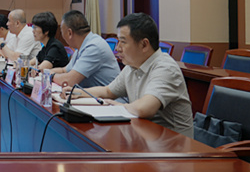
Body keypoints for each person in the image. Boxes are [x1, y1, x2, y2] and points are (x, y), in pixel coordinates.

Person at [64, 13, 193, 138]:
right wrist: (77, 92)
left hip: (173, 146)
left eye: (123, 42)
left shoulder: (166, 68)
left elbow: (144, 109)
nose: (117, 48)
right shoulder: (132, 66)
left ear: (144, 45)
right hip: (146, 137)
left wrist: (119, 106)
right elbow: (108, 91)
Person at [51, 10, 120, 88]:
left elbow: (69, 81)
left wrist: (51, 76)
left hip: (105, 96)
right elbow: (64, 70)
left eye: (61, 31)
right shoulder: (81, 46)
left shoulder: (94, 47)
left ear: (70, 33)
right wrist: (46, 72)